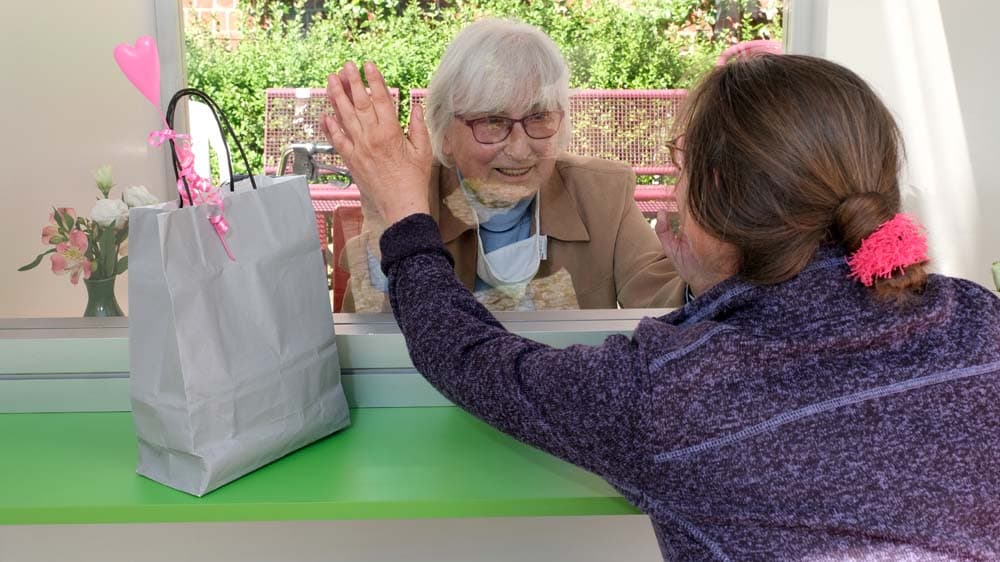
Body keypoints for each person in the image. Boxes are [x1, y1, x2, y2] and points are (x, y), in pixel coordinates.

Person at [321, 53, 1000, 560]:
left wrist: (400, 210)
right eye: (492, 123)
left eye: (539, 118)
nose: (520, 143)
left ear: (710, 190)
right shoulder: (978, 319)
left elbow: (468, 357)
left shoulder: (677, 392)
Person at [339, 19, 684, 312]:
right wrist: (392, 225)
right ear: (444, 133)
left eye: (539, 117)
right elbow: (368, 335)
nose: (520, 150)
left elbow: (665, 301)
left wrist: (700, 278)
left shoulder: (602, 195)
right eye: (492, 121)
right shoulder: (413, 199)